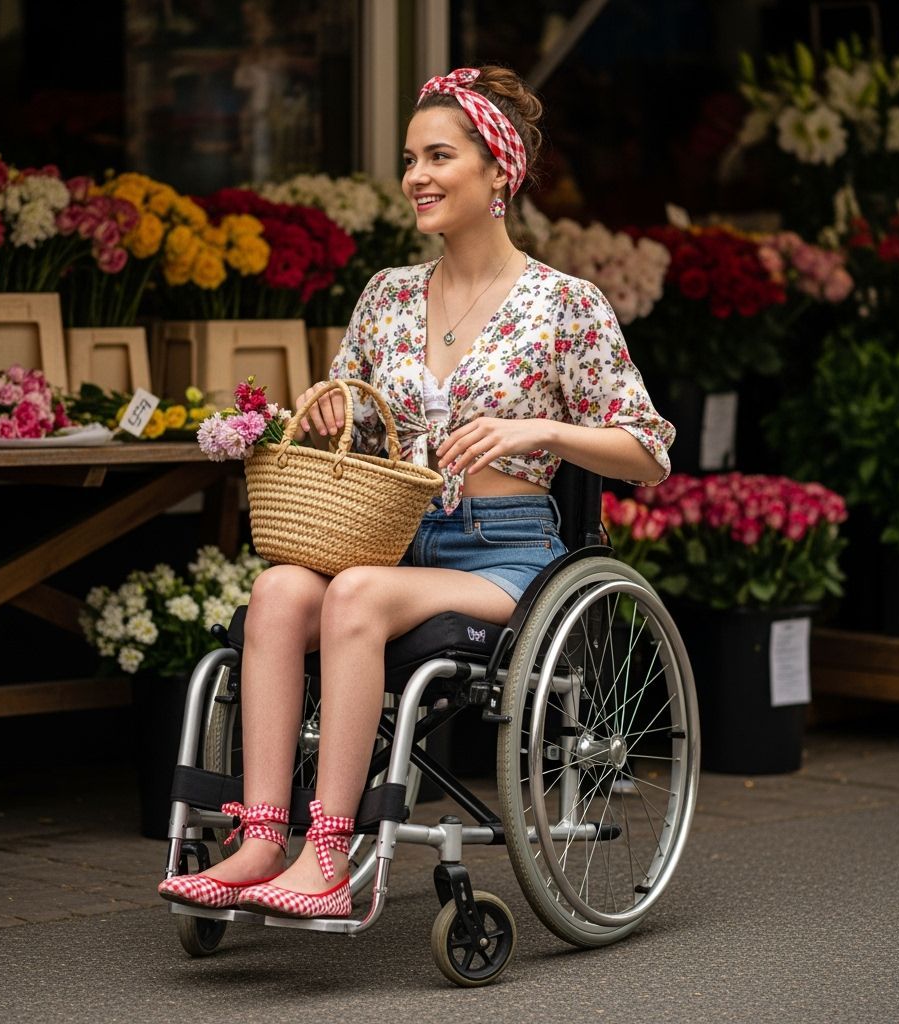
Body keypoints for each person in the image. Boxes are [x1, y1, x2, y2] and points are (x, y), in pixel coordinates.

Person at [158, 65, 674, 919]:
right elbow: (357, 431)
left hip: (505, 555)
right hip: (387, 538)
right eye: (410, 159)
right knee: (280, 591)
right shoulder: (388, 296)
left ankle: (327, 857)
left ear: (499, 171)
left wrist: (537, 432)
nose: (417, 177)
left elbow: (647, 453)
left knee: (355, 595)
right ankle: (259, 838)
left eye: (440, 156)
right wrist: (327, 413)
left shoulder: (563, 306)